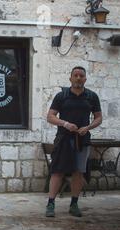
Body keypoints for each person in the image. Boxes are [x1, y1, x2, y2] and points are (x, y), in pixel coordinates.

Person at [46, 66, 102, 218]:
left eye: (81, 75)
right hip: (64, 139)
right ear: (70, 78)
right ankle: (50, 204)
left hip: (82, 140)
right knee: (58, 171)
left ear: (85, 79)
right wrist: (65, 124)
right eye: (75, 75)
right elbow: (50, 116)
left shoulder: (92, 96)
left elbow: (98, 117)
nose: (78, 78)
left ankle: (74, 204)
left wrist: (88, 127)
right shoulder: (61, 96)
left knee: (79, 171)